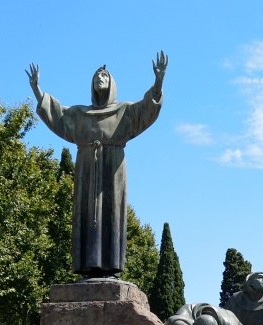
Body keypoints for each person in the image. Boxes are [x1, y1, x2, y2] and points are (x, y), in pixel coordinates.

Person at [26, 52, 167, 277]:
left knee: (112, 212)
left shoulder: (124, 111)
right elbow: (57, 115)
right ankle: (87, 267)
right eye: (96, 77)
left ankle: (112, 267)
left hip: (113, 170)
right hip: (86, 170)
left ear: (112, 84)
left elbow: (147, 110)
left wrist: (158, 82)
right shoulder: (80, 114)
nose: (99, 79)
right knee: (85, 213)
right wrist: (37, 90)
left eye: (103, 76)